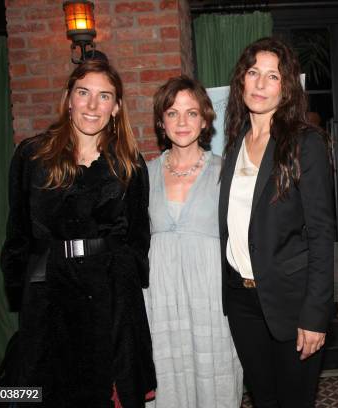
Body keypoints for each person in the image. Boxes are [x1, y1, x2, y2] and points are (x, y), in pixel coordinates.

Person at [0, 59, 156, 406]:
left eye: (104, 96)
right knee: (48, 389)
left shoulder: (129, 163)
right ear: (68, 98)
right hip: (49, 294)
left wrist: (125, 282)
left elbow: (137, 238)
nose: (91, 105)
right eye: (83, 92)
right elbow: (18, 232)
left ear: (116, 107)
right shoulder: (32, 155)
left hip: (110, 296)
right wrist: (24, 288)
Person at [219, 37, 335, 407]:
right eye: (253, 73)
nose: (260, 83)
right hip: (242, 301)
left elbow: (321, 234)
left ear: (286, 87)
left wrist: (315, 315)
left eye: (272, 76)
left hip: (291, 300)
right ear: (241, 81)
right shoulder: (235, 143)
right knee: (264, 399)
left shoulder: (305, 142)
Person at [144, 76, 243, 408]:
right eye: (172, 113)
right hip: (158, 300)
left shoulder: (225, 171)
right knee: (164, 376)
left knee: (213, 376)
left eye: (191, 113)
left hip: (210, 298)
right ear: (161, 122)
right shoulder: (142, 175)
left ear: (204, 119)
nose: (182, 122)